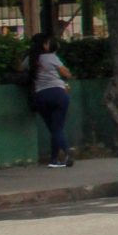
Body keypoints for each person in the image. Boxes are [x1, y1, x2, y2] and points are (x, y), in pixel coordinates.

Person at [21, 31, 73, 167]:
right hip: (59, 94)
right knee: (58, 128)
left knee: (53, 129)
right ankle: (67, 153)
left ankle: (54, 159)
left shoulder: (30, 59)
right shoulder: (51, 57)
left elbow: (20, 68)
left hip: (41, 96)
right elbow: (66, 73)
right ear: (44, 45)